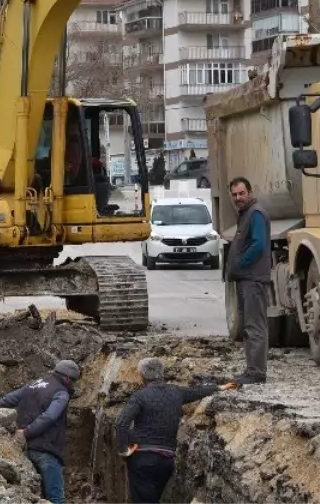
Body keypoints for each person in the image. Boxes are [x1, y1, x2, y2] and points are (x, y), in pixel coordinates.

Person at [116, 357, 238, 503]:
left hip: (142, 459)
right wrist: (220, 387)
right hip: (166, 461)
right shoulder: (176, 392)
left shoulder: (139, 397)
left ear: (142, 375)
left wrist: (123, 450)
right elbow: (197, 391)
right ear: (162, 373)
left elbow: (121, 423)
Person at [0, 359, 80, 504]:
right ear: (67, 378)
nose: (73, 384)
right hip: (46, 450)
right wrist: (27, 432)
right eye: (73, 381)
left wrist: (14, 431)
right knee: (56, 498)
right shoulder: (61, 393)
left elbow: (4, 401)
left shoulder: (32, 385)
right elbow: (49, 416)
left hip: (22, 450)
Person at [227, 176, 270, 384]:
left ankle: (257, 372)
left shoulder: (256, 214)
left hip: (253, 279)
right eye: (234, 194)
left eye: (241, 193)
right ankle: (252, 369)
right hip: (246, 279)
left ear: (250, 192)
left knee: (255, 326)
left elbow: (259, 245)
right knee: (248, 326)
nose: (238, 198)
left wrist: (241, 262)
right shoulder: (245, 214)